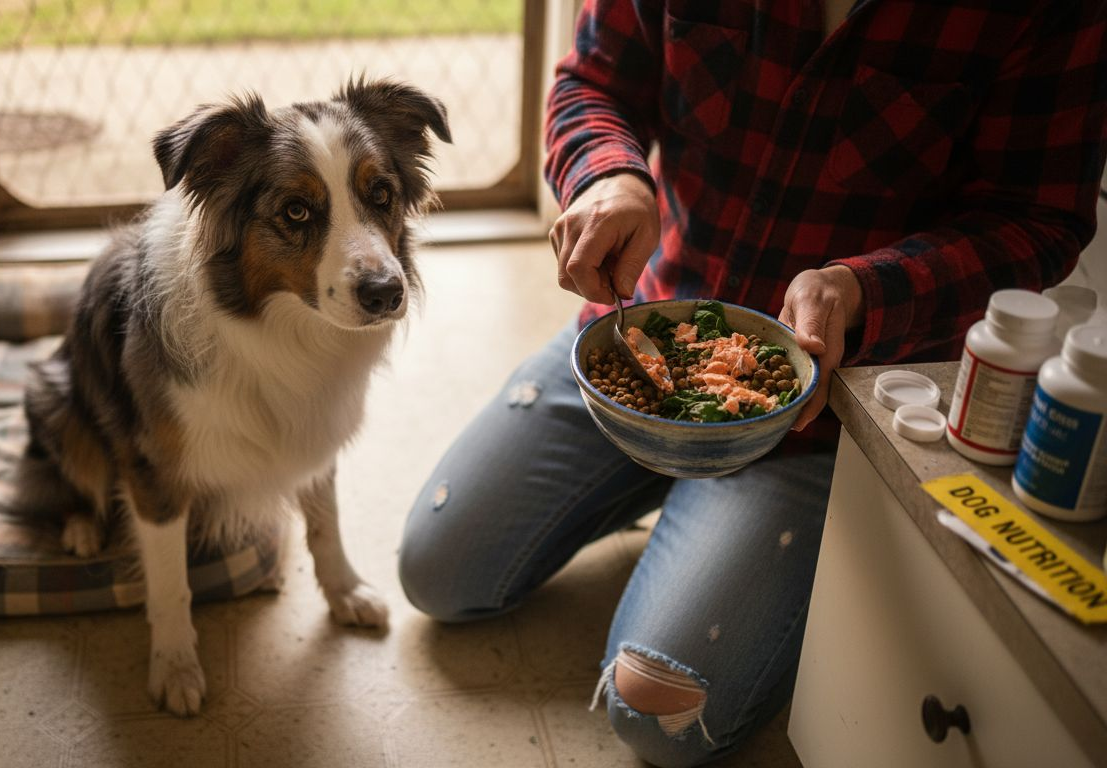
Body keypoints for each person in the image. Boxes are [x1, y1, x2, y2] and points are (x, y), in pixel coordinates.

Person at [399, 0, 1107, 765]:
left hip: (815, 411)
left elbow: (1036, 217)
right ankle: (676, 502)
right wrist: (610, 175)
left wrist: (863, 288)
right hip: (647, 328)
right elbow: (593, 82)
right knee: (437, 570)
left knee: (656, 717)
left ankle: (719, 522)